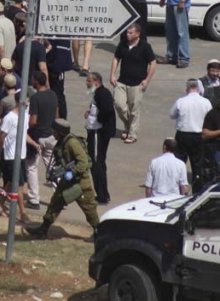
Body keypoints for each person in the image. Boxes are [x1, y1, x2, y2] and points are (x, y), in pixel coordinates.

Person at [25, 120, 99, 239]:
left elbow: (83, 162)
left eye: (54, 131)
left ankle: (98, 233)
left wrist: (72, 172)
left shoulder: (72, 143)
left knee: (89, 209)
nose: (52, 133)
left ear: (60, 132)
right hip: (68, 182)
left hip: (80, 184)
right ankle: (43, 229)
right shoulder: (61, 142)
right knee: (55, 203)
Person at [109, 22, 157, 144]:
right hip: (122, 81)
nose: (128, 35)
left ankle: (132, 134)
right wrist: (112, 74)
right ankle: (128, 125)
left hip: (137, 83)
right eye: (127, 32)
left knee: (134, 109)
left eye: (130, 33)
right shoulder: (123, 44)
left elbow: (153, 63)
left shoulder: (145, 46)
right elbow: (116, 58)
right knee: (118, 104)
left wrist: (147, 80)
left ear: (137, 34)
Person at [170, 78, 214, 193]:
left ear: (187, 88)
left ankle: (178, 189)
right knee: (198, 166)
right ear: (198, 88)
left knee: (179, 163)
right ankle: (197, 192)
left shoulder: (181, 101)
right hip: (199, 136)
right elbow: (210, 116)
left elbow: (172, 115)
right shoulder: (206, 102)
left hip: (182, 135)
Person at [24, 70, 58, 210]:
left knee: (31, 167)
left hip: (37, 137)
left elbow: (33, 121)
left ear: (36, 82)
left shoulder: (36, 98)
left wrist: (26, 128)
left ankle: (34, 199)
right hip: (51, 135)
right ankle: (61, 197)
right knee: (53, 168)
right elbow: (57, 115)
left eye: (33, 80)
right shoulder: (53, 94)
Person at [0, 97, 34, 221]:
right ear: (19, 101)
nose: (28, 104)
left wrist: (34, 144)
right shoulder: (9, 118)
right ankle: (23, 212)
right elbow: (2, 137)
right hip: (11, 156)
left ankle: (0, 204)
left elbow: (24, 134)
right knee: (19, 184)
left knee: (11, 183)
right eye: (26, 101)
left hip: (21, 155)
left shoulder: (25, 116)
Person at [85, 71, 116, 205]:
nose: (87, 83)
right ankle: (102, 193)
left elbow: (106, 111)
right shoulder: (98, 94)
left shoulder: (103, 94)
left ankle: (102, 195)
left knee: (97, 164)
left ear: (96, 82)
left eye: (89, 81)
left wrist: (97, 121)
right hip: (96, 132)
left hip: (99, 133)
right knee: (98, 163)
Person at [45, 37, 73, 119]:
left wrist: (56, 69)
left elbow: (62, 53)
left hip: (56, 70)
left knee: (58, 94)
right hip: (52, 67)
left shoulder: (62, 36)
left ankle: (61, 118)